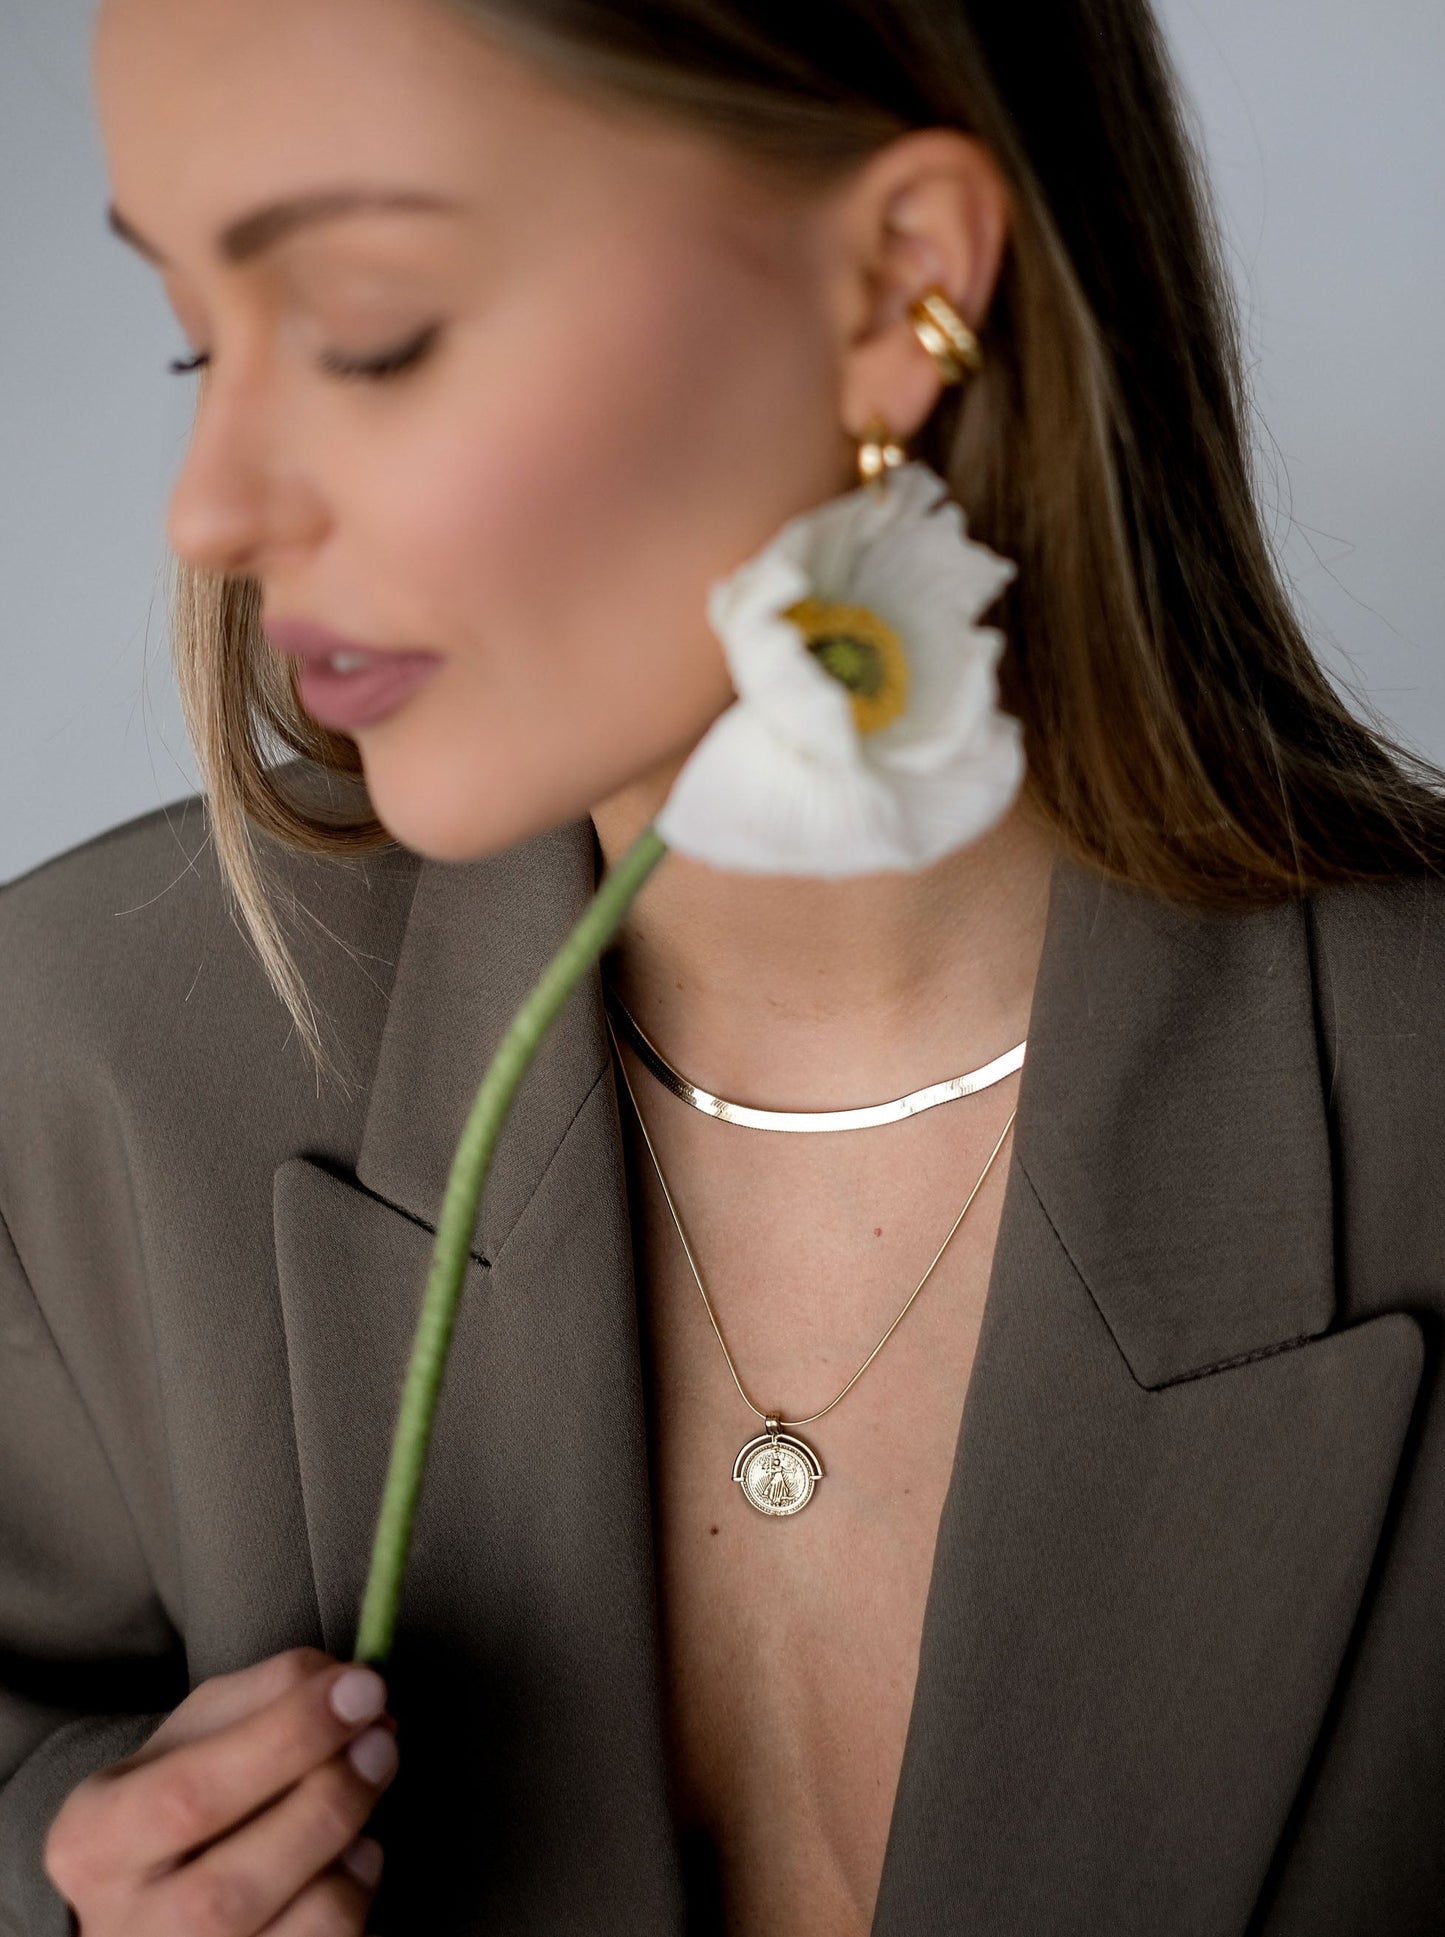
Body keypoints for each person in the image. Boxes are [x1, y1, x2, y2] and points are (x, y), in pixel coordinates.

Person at [3, 0, 1444, 1932]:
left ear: (897, 287)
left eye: (365, 329)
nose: (210, 503)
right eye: (197, 337)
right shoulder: (86, 1068)